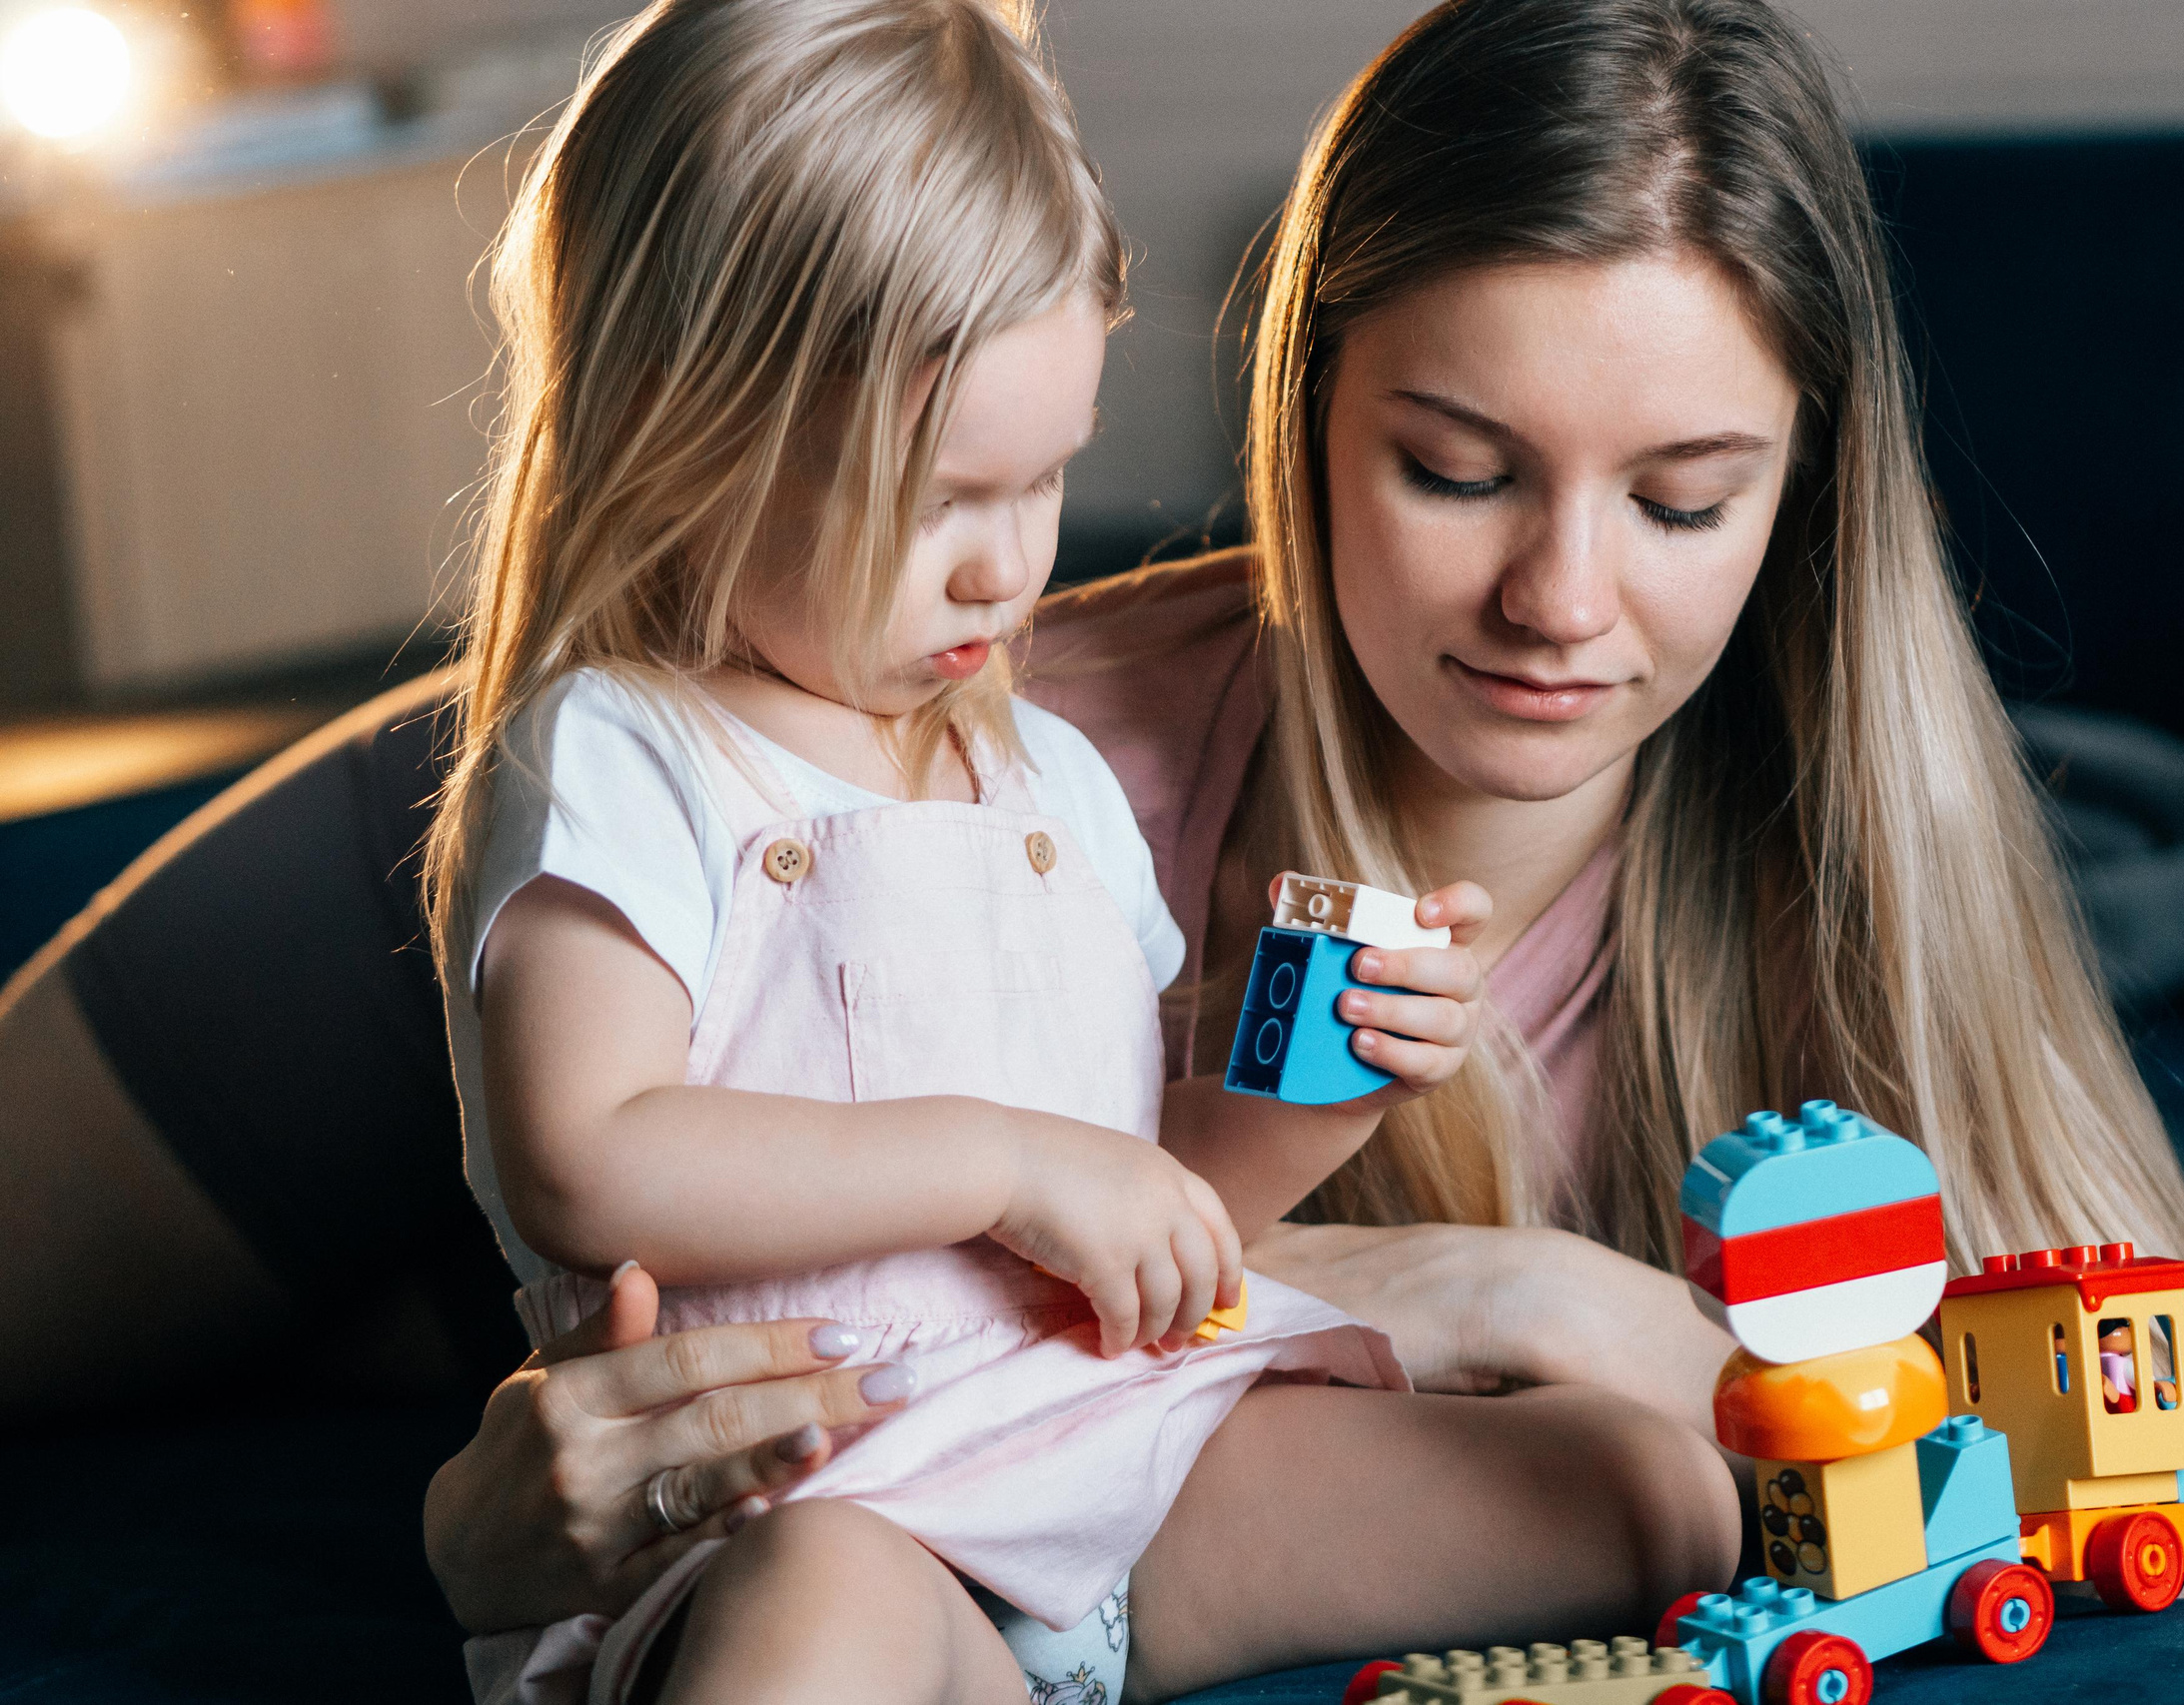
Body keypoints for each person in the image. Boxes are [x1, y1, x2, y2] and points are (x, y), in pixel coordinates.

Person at [0, 0, 2184, 1698]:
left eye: (1680, 499)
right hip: (423, 943)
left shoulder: (1839, 840)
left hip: (928, 1386)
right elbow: (626, 1167)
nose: (1561, 600)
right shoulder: (939, 699)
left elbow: (2070, 1422)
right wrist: (484, 1520)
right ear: (1303, 411)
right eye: (1455, 468)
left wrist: (1521, 1284)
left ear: (1801, 495)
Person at [423, 3, 1511, 1702]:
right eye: (939, 498)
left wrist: (1326, 1092)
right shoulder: (627, 755)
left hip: (1097, 1467)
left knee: (1638, 1485)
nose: (1007, 570)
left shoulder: (1045, 781)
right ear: (685, 436)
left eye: (1045, 479)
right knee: (821, 1596)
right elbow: (590, 1155)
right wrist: (1007, 1162)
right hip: (811, 1516)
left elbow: (1130, 1203)